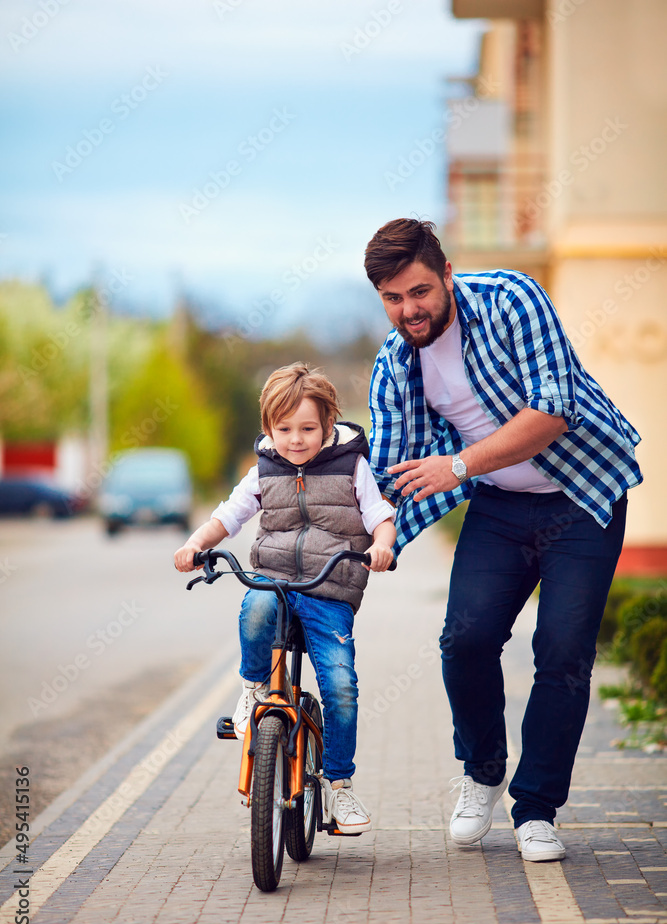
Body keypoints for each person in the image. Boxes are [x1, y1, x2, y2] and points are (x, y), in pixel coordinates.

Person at [364, 218, 642, 861]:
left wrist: (458, 465)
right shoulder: (395, 362)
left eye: (421, 292)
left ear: (448, 276)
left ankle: (537, 808)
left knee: (564, 650)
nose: (410, 310)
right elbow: (382, 469)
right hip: (499, 508)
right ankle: (483, 772)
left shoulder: (513, 300)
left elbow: (553, 409)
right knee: (466, 639)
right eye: (393, 298)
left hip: (582, 498)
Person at [175, 362, 396, 835]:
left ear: (328, 425)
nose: (296, 440)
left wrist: (382, 545)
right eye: (284, 429)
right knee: (254, 607)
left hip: (329, 591)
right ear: (268, 429)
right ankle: (253, 689)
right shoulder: (265, 470)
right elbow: (229, 515)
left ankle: (340, 786)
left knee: (340, 686)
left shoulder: (352, 466)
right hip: (274, 582)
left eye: (308, 428)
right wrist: (197, 543)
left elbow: (380, 515)